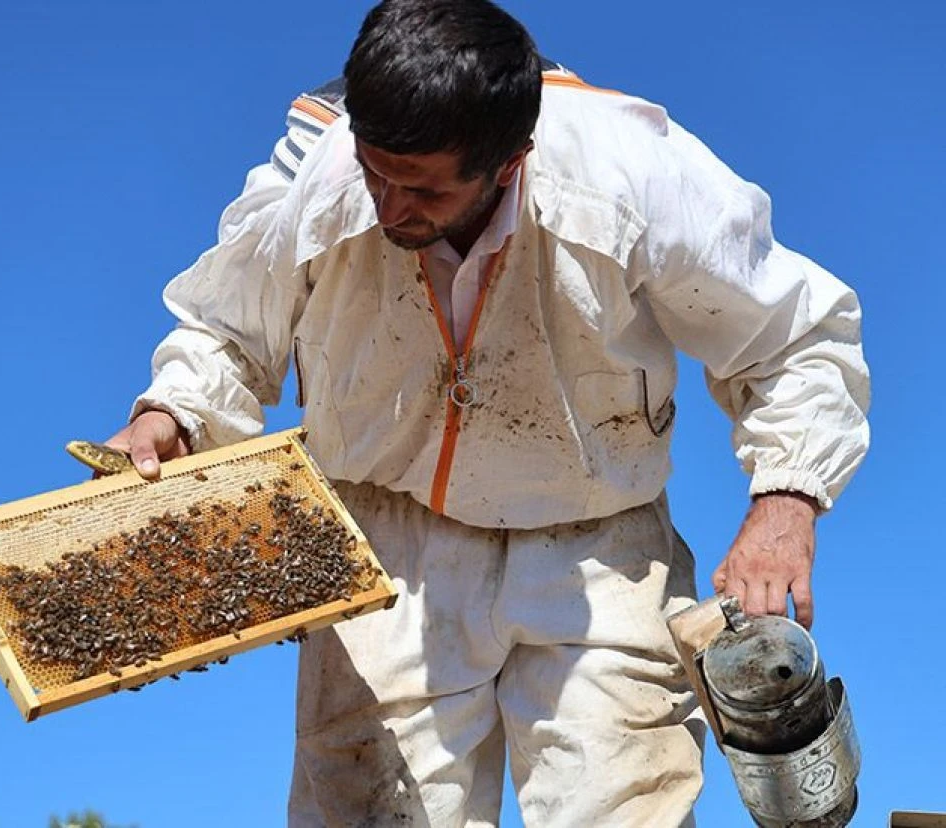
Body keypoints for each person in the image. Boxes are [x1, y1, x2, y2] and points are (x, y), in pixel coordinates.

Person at [105, 1, 871, 825]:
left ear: (509, 163)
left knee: (624, 808)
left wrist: (786, 500)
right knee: (371, 810)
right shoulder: (318, 175)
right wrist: (174, 412)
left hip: (596, 546)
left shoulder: (630, 173)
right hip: (386, 550)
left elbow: (794, 335)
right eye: (376, 173)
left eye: (424, 189)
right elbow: (227, 328)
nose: (389, 208)